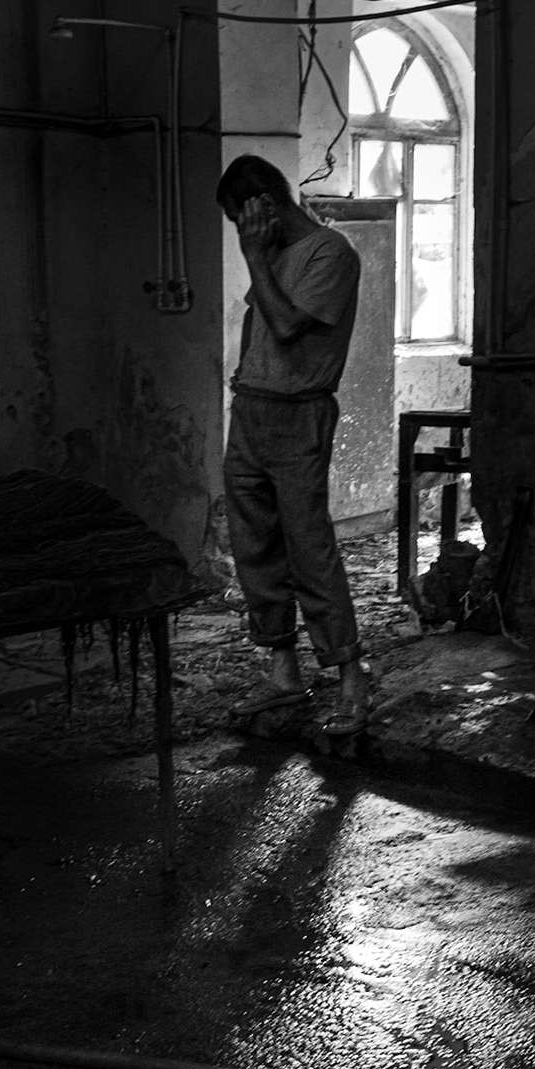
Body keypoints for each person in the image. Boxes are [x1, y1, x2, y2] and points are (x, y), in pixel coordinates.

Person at [216, 155, 371, 735]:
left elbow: (284, 327)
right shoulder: (274, 252)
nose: (241, 232)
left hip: (297, 416)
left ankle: (351, 677)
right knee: (254, 545)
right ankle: (284, 672)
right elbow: (261, 335)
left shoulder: (330, 254)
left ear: (265, 207)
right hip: (252, 411)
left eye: (241, 219)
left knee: (309, 547)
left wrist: (254, 255)